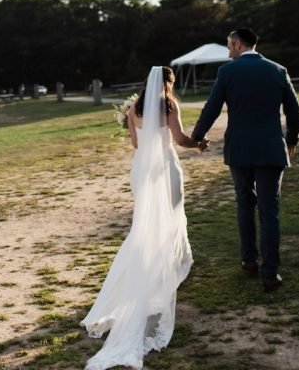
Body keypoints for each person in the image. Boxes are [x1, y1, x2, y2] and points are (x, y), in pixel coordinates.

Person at [81, 66, 208, 370]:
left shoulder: (133, 109)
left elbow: (137, 145)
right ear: (169, 83)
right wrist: (199, 144)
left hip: (142, 171)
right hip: (165, 168)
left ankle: (150, 271)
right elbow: (179, 139)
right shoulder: (170, 105)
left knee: (145, 226)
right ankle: (166, 269)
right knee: (172, 218)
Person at [190, 28, 299, 292]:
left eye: (229, 45)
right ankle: (270, 273)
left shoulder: (227, 72)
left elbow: (212, 108)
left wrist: (198, 136)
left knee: (244, 203)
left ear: (238, 44)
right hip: (271, 150)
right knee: (269, 210)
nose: (228, 51)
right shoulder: (278, 70)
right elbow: (294, 111)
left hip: (239, 150)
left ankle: (249, 260)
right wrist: (292, 140)